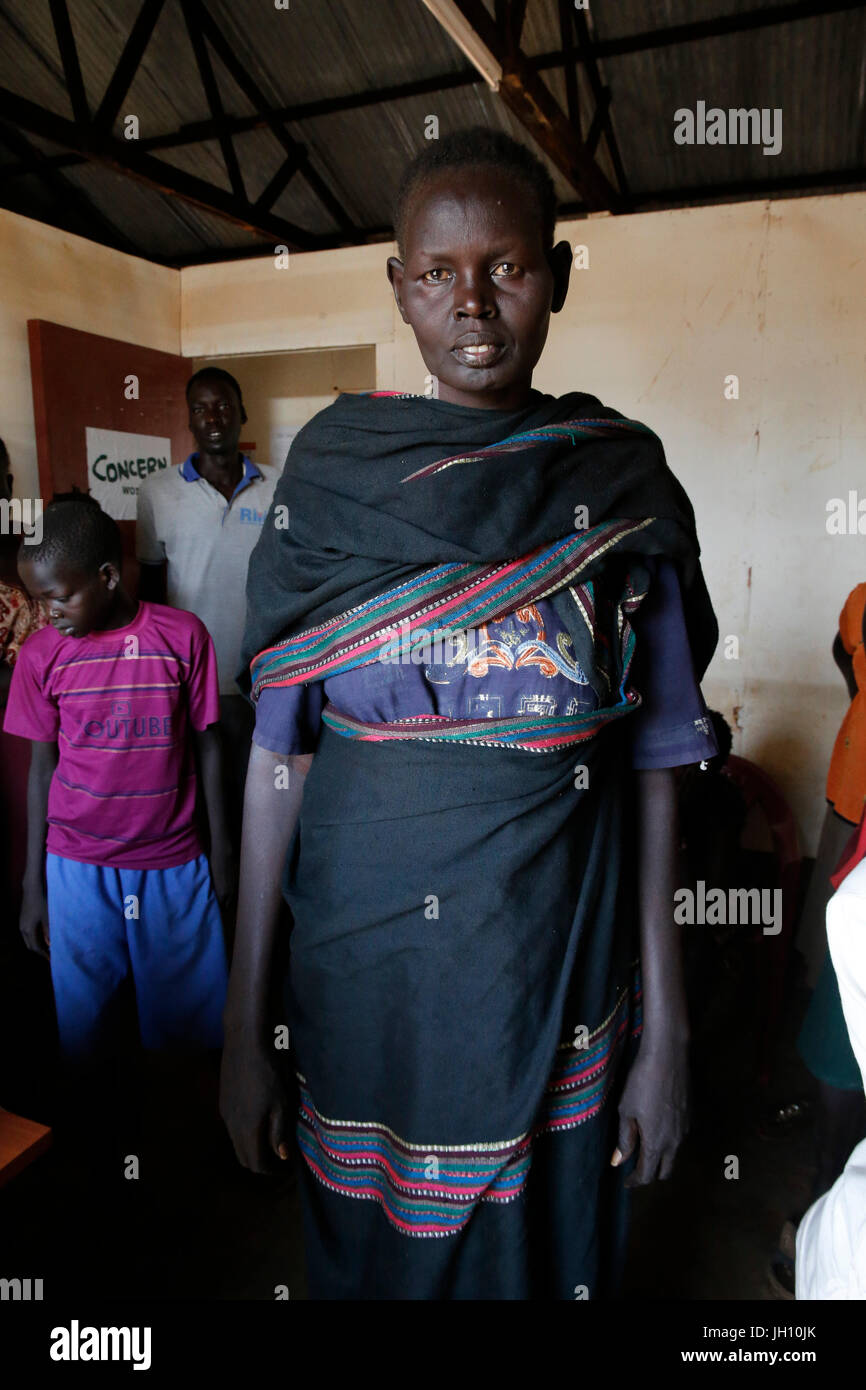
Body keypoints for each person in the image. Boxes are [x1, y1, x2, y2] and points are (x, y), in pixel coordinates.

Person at [220, 127, 718, 1300]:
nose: (474, 304)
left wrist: (670, 1031)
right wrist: (244, 1024)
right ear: (397, 287)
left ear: (557, 271)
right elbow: (276, 761)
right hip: (363, 980)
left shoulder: (616, 483)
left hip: (553, 970)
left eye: (508, 266)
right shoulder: (334, 481)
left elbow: (651, 769)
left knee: (540, 1251)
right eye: (437, 273)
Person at [4, 496, 231, 1066]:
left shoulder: (183, 638)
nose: (48, 613)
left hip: (173, 864)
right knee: (87, 1032)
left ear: (107, 577)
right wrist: (35, 883)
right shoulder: (41, 655)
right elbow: (41, 766)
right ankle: (101, 1141)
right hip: (77, 866)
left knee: (187, 1034)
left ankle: (181, 1141)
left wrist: (222, 851)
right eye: (39, 600)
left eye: (58, 597)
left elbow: (209, 745)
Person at [136, 368, 280, 865]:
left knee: (261, 804)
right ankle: (211, 902)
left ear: (241, 413)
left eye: (222, 406)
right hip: (189, 681)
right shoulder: (157, 493)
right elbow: (151, 593)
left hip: (263, 677)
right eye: (200, 408)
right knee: (198, 805)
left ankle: (262, 909)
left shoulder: (279, 488)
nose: (213, 417)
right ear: (190, 420)